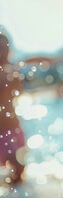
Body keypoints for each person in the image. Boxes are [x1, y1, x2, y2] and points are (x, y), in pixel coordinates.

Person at [0, 33, 26, 185]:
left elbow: (18, 94)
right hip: (1, 130)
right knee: (15, 168)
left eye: (6, 47)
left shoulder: (13, 71)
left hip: (15, 126)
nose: (3, 50)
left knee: (20, 169)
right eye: (0, 47)